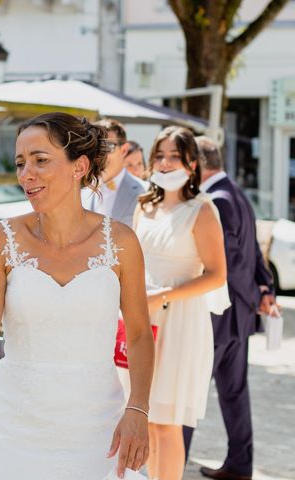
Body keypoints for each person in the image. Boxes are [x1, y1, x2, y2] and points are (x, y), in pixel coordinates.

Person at [0, 112, 155, 479]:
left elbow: (139, 334)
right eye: (21, 163)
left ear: (80, 166)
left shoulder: (120, 241)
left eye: (41, 160)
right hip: (16, 429)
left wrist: (138, 408)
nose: (27, 173)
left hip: (97, 428)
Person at [134, 126, 228, 480]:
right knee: (145, 416)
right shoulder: (145, 206)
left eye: (174, 156)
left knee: (166, 423)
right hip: (143, 319)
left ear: (191, 162)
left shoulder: (202, 210)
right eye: (159, 155)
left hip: (181, 321)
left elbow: (217, 275)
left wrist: (164, 295)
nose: (166, 163)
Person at [184, 136, 276, 480]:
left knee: (188, 387)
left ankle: (172, 463)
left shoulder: (216, 200)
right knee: (234, 393)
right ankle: (240, 465)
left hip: (219, 314)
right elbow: (254, 252)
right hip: (239, 316)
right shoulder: (236, 193)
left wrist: (254, 294)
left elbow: (233, 263)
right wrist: (264, 288)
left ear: (196, 163)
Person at [82, 119, 146, 227]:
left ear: (124, 150)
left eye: (107, 147)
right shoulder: (82, 193)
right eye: (95, 147)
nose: (100, 155)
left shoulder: (144, 192)